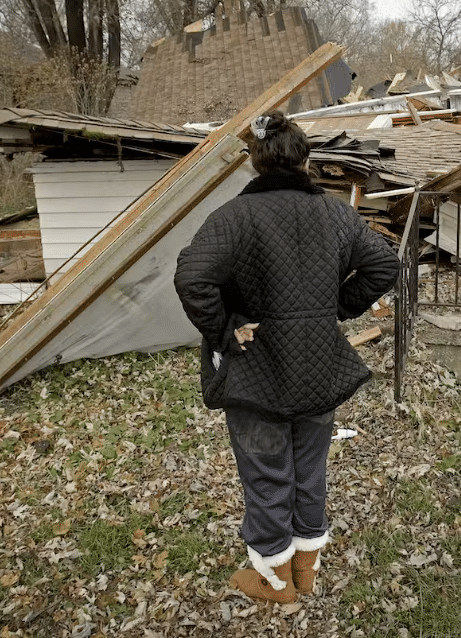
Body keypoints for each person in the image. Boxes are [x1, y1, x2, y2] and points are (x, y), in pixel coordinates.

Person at [174, 111, 400, 604]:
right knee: (309, 468)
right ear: (305, 159)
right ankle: (305, 570)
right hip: (319, 369)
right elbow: (384, 263)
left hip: (258, 374)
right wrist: (335, 309)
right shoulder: (337, 214)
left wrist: (223, 332)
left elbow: (193, 278)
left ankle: (275, 582)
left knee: (266, 472)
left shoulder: (234, 216)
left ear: (256, 162)